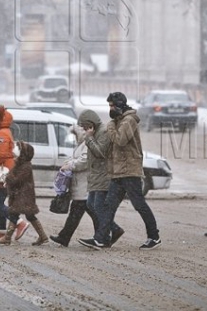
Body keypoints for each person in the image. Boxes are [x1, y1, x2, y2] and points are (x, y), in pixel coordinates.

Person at [78, 92, 161, 250]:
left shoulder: (129, 120)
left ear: (120, 105)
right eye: (109, 105)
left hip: (129, 171)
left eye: (112, 105)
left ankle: (154, 236)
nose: (110, 108)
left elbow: (120, 140)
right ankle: (100, 239)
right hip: (118, 172)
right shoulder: (118, 121)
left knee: (139, 205)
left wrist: (110, 126)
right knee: (108, 206)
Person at [79, 109, 125, 246]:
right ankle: (110, 231)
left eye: (84, 126)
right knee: (90, 205)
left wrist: (89, 138)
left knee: (98, 207)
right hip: (96, 176)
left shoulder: (103, 132)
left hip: (104, 176)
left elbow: (100, 153)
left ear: (90, 123)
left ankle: (106, 235)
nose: (83, 129)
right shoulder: (95, 132)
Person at [50, 125, 99, 247]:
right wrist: (68, 163)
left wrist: (70, 165)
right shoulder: (82, 144)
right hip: (80, 185)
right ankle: (108, 233)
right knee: (90, 212)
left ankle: (64, 237)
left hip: (83, 185)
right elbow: (75, 158)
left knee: (77, 212)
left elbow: (84, 161)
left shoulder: (87, 144)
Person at [0, 105, 28, 242]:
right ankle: (1, 231)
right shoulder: (2, 131)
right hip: (2, 171)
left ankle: (19, 223)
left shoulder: (3, 133)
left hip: (3, 172)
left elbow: (3, 154)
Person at [0, 141, 49, 245]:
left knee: (14, 214)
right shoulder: (20, 164)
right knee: (29, 216)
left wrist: (8, 177)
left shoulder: (25, 166)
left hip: (23, 195)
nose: (16, 150)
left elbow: (17, 180)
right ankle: (43, 236)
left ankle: (7, 238)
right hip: (22, 195)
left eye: (19, 149)